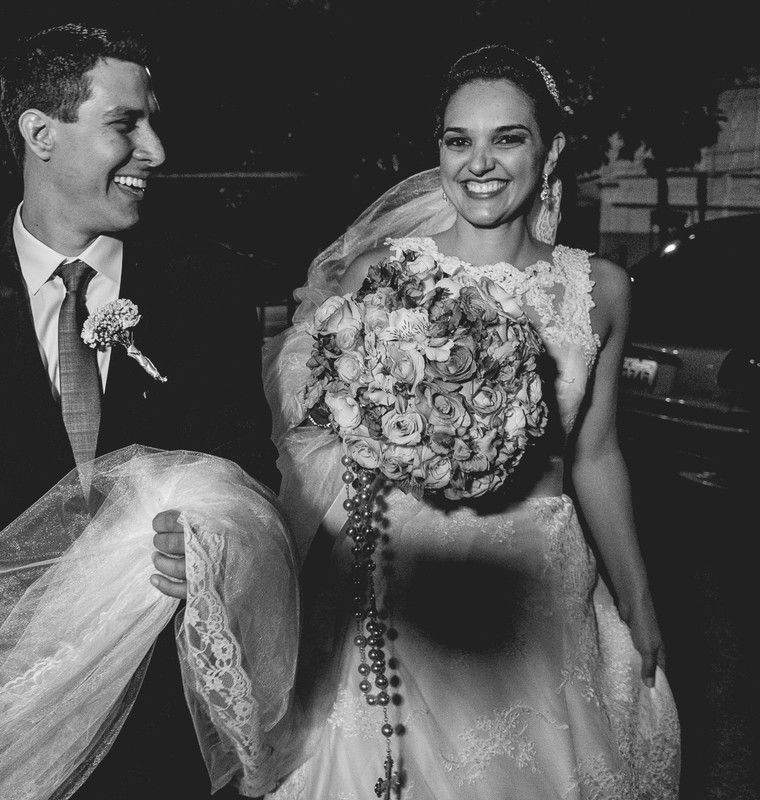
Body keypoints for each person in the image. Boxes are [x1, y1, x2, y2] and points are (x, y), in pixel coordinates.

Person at [155, 43, 681, 799]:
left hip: (542, 580)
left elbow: (596, 453)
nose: (480, 163)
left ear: (553, 149)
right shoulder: (382, 275)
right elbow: (330, 434)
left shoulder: (600, 288)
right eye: (458, 140)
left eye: (508, 137)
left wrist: (637, 597)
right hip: (405, 585)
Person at [0, 20, 277, 800]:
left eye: (152, 121)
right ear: (41, 133)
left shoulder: (212, 289)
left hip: (167, 708)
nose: (156, 150)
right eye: (126, 124)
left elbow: (250, 471)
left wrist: (215, 541)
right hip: (3, 709)